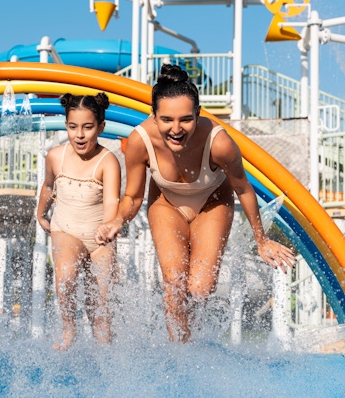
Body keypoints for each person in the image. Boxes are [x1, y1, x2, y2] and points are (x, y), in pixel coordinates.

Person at [96, 64, 295, 342]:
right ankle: (180, 353)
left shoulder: (219, 142)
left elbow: (243, 188)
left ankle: (196, 341)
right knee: (175, 285)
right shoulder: (140, 141)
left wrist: (261, 240)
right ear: (153, 115)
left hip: (212, 203)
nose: (176, 129)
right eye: (166, 119)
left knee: (200, 289)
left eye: (185, 119)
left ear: (198, 114)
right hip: (166, 203)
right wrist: (118, 220)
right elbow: (133, 197)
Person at [37, 92, 121, 351]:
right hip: (66, 230)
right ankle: (69, 329)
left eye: (88, 127)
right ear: (66, 126)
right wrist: (41, 213)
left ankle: (103, 345)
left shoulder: (108, 161)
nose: (80, 135)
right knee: (66, 276)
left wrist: (107, 228)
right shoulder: (56, 156)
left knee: (102, 300)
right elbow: (48, 186)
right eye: (73, 127)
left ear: (101, 127)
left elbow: (111, 201)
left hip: (99, 237)